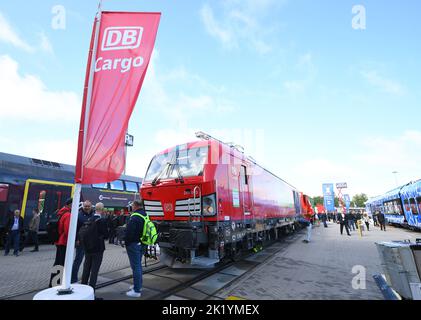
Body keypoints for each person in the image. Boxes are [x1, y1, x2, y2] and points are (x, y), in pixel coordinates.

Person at [80, 202, 109, 290]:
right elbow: (106, 235)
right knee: (94, 270)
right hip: (98, 248)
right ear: (102, 210)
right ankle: (91, 290)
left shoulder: (89, 219)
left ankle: (83, 288)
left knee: (86, 268)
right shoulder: (102, 220)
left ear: (95, 209)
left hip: (88, 248)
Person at [124, 200, 147, 298]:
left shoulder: (135, 217)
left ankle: (136, 291)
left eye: (132, 205)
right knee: (138, 266)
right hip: (142, 243)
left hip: (134, 244)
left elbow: (129, 233)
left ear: (135, 206)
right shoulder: (145, 214)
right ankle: (138, 286)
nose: (131, 207)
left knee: (136, 267)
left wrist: (126, 243)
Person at [49, 198, 72, 287]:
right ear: (70, 205)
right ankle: (56, 284)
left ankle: (54, 282)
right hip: (64, 242)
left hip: (59, 241)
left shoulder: (61, 212)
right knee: (61, 263)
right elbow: (68, 230)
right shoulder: (68, 215)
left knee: (58, 262)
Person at [72, 200, 94, 283]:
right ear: (83, 206)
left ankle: (85, 279)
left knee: (89, 261)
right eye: (85, 206)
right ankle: (73, 279)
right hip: (80, 242)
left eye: (88, 206)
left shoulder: (93, 214)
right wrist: (77, 239)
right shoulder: (78, 215)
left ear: (91, 206)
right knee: (78, 260)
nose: (87, 207)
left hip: (91, 242)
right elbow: (75, 229)